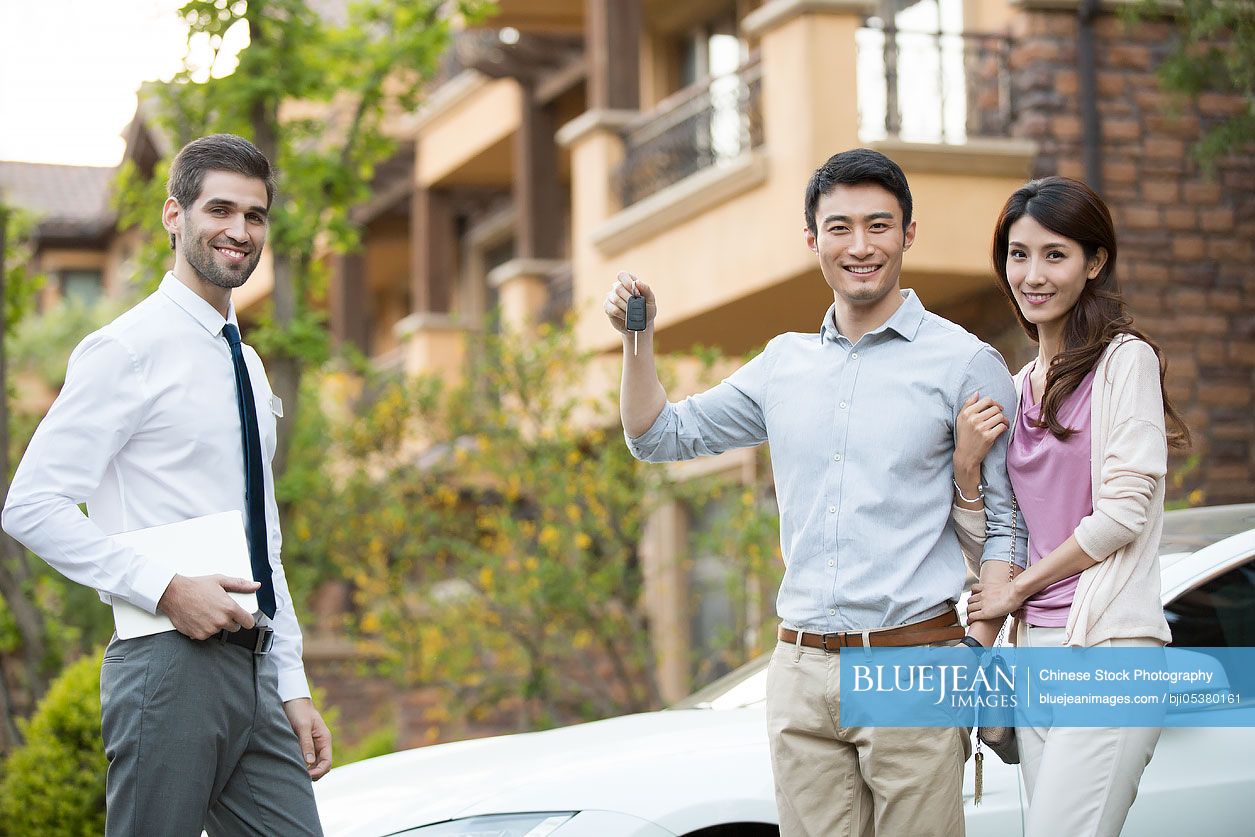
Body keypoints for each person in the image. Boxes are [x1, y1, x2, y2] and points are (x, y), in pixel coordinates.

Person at [606, 147, 1025, 837]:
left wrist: (975, 654)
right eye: (839, 227)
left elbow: (1006, 524)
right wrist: (637, 339)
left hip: (912, 662)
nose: (859, 246)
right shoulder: (782, 364)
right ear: (812, 240)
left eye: (878, 225)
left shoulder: (963, 361)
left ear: (907, 234)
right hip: (799, 668)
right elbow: (658, 435)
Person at [2, 134, 330, 836]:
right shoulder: (126, 348)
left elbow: (261, 536)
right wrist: (165, 587)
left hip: (256, 667)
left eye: (255, 215)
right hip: (166, 664)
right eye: (220, 208)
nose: (239, 231)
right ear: (173, 216)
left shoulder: (250, 366)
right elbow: (31, 505)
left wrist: (291, 680)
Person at [956, 175, 1189, 837]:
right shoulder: (1012, 387)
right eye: (1017, 254)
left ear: (1094, 262)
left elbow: (1122, 514)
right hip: (1034, 654)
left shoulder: (1124, 363)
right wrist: (965, 467)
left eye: (1053, 255)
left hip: (1109, 648)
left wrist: (1018, 589)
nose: (1032, 274)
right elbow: (998, 539)